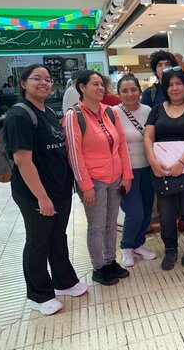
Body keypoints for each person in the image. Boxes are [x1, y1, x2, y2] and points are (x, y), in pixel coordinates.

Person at [4, 64, 88, 316]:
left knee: (57, 236)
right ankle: (38, 295)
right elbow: (22, 161)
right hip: (35, 193)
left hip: (59, 188)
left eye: (48, 79)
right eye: (36, 78)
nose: (43, 83)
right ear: (23, 83)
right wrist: (42, 197)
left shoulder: (48, 111)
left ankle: (64, 281)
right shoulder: (19, 115)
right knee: (38, 241)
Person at [63, 70, 133, 286]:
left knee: (111, 224)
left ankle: (110, 261)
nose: (100, 88)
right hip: (93, 181)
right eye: (95, 84)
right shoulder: (74, 115)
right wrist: (85, 186)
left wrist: (127, 175)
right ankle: (99, 267)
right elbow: (74, 155)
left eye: (102, 84)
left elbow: (121, 145)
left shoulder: (110, 112)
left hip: (115, 178)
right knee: (96, 226)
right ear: (82, 87)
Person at [144, 67, 184, 270]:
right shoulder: (157, 110)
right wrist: (153, 162)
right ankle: (170, 249)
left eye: (178, 83)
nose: (174, 88)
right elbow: (148, 137)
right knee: (166, 214)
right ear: (165, 88)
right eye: (170, 85)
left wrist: (181, 164)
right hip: (161, 170)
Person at [114, 76, 156, 267]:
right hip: (126, 172)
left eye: (133, 90)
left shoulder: (148, 110)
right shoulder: (112, 113)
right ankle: (126, 247)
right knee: (135, 212)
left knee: (147, 211)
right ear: (118, 93)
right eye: (124, 91)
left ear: (140, 91)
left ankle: (138, 244)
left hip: (148, 169)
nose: (130, 94)